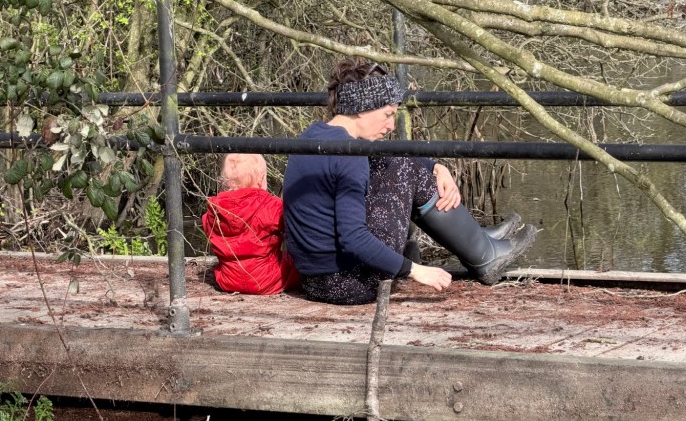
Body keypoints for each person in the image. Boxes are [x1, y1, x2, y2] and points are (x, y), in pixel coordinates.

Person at [282, 57, 536, 305]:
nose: (391, 125)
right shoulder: (351, 156)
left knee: (397, 160)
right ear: (361, 107)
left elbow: (387, 155)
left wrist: (436, 166)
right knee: (404, 167)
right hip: (350, 284)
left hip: (314, 280)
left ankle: (477, 239)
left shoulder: (314, 135)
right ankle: (484, 255)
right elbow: (353, 238)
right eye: (387, 114)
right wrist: (414, 270)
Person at [202, 153, 301, 295]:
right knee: (296, 264)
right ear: (261, 179)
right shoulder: (270, 205)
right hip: (268, 280)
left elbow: (206, 225)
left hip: (228, 281)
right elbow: (294, 225)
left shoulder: (215, 209)